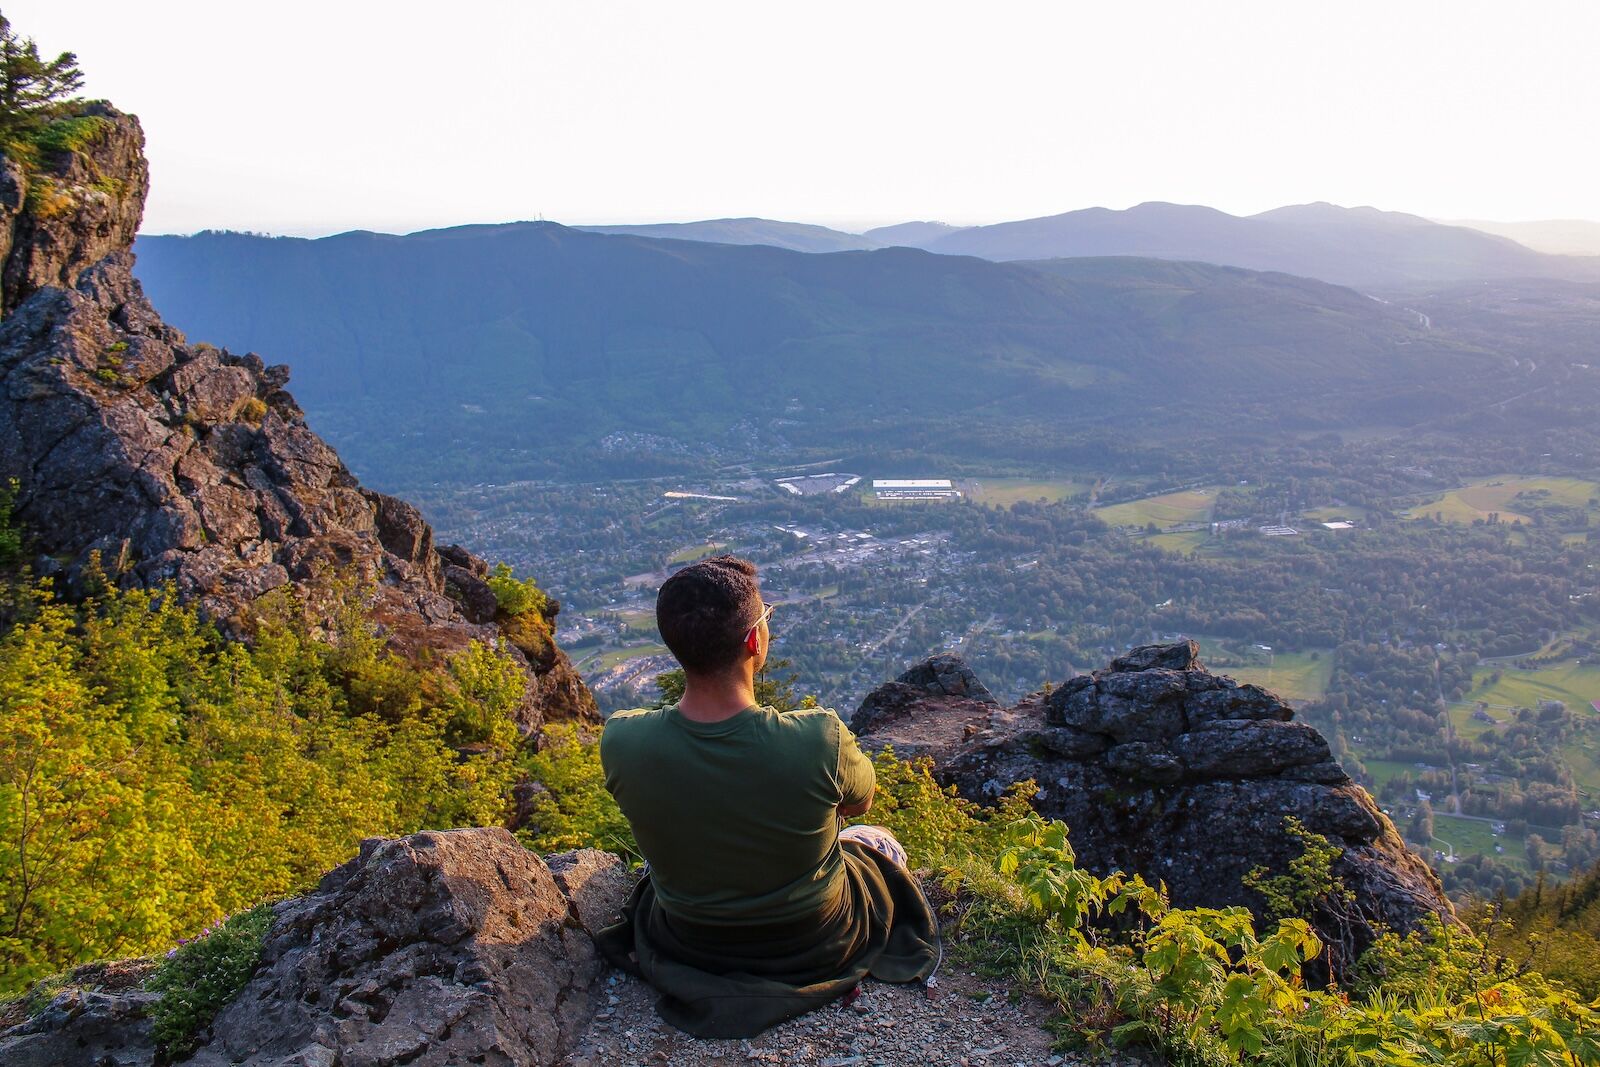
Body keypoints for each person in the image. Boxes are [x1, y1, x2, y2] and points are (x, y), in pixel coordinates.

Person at [596, 555, 938, 1038]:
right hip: (817, 940)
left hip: (692, 940)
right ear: (755, 639)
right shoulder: (819, 739)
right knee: (873, 838)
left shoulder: (623, 742)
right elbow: (860, 802)